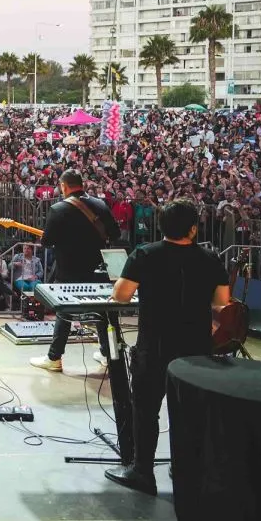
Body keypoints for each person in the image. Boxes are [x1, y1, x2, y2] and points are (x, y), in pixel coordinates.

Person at [104, 200, 230, 496]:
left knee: (146, 410)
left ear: (161, 226)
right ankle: (185, 468)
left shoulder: (145, 254)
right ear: (193, 229)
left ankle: (143, 472)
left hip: (155, 345)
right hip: (196, 349)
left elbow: (120, 295)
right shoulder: (210, 258)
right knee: (189, 411)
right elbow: (223, 302)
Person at [30, 169, 121, 372]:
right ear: (82, 184)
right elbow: (114, 233)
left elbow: (47, 241)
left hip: (69, 269)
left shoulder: (58, 209)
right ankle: (107, 354)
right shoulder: (100, 205)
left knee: (64, 313)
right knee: (103, 312)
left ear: (64, 186)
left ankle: (54, 358)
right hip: (98, 268)